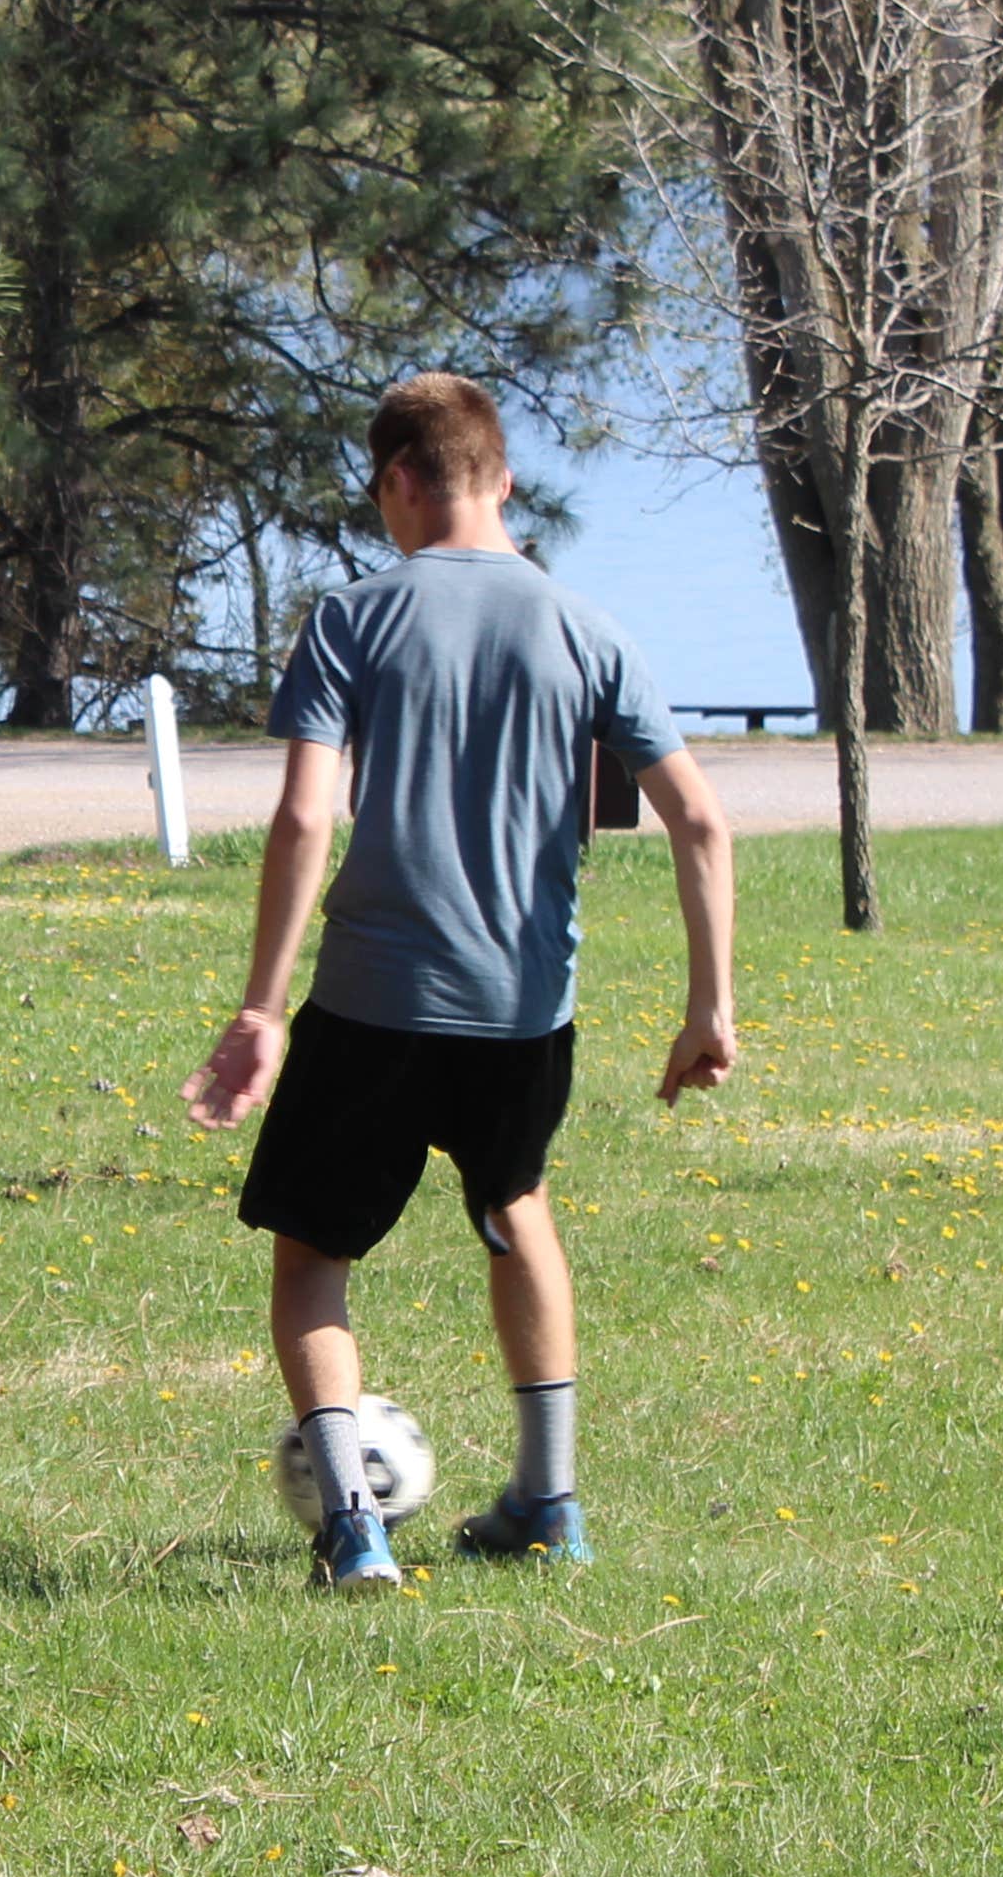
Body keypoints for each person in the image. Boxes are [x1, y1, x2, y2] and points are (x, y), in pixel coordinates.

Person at [180, 373, 738, 1587]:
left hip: (375, 997)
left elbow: (301, 818)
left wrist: (262, 1009)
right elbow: (699, 822)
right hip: (526, 1009)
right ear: (506, 480)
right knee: (514, 1207)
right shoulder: (591, 631)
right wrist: (710, 1006)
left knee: (312, 1258)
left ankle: (353, 1531)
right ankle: (551, 1499)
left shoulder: (353, 619)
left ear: (398, 482)